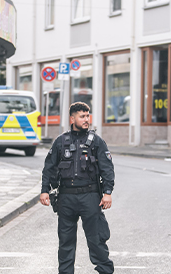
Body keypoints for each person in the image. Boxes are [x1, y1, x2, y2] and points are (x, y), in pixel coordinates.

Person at [40, 102, 115, 274]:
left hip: (90, 197)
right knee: (65, 243)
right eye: (82, 116)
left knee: (96, 240)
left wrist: (107, 193)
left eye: (87, 115)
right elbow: (49, 168)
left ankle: (105, 271)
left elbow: (107, 169)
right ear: (72, 118)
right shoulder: (60, 142)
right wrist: (45, 190)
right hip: (66, 198)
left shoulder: (96, 142)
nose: (86, 119)